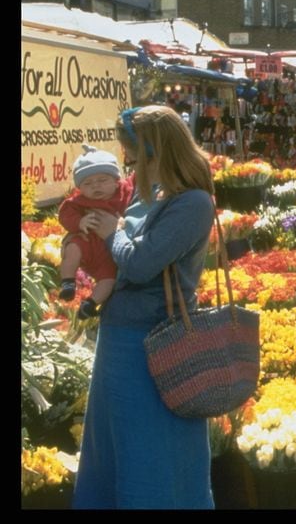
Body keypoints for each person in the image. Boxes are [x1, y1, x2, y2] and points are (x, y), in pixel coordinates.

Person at [73, 105, 217, 508]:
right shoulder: (147, 191)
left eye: (133, 153)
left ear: (157, 150)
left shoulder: (192, 203)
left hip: (158, 345)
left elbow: (139, 264)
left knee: (156, 457)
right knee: (114, 450)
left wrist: (112, 233)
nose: (128, 163)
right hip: (120, 340)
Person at [57, 145, 135, 319]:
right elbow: (65, 214)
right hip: (88, 241)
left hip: (109, 251)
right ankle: (68, 282)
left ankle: (90, 304)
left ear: (116, 180)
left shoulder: (125, 194)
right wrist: (79, 222)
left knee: (108, 279)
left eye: (102, 180)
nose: (96, 186)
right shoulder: (79, 202)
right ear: (80, 188)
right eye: (88, 183)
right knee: (72, 248)